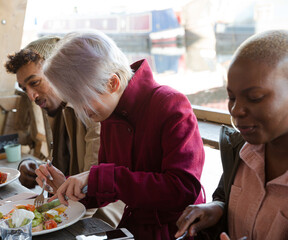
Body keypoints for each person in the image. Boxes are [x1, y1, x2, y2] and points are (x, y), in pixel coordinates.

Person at [35, 30, 205, 239]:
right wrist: (71, 186)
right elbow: (109, 187)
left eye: (83, 100)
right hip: (134, 229)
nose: (82, 110)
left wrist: (97, 177)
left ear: (112, 82)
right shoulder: (109, 113)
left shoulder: (170, 104)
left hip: (178, 232)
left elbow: (183, 189)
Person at [175, 30, 288, 240]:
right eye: (231, 97)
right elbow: (226, 196)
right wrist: (217, 209)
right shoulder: (240, 150)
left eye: (254, 98)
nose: (236, 110)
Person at [4, 36, 125, 228]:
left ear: (59, 73)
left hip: (104, 219)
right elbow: (65, 172)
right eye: (24, 88)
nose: (31, 95)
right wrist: (37, 167)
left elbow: (92, 185)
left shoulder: (94, 110)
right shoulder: (54, 109)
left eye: (35, 83)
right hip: (73, 208)